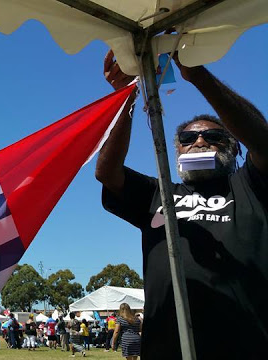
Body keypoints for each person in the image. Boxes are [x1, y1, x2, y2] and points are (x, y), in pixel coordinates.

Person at [97, 48, 268, 359]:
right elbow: (108, 173)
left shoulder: (250, 185)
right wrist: (127, 97)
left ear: (234, 147)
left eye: (214, 136)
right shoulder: (158, 193)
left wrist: (197, 75)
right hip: (165, 349)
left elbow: (264, 141)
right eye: (188, 139)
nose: (200, 142)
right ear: (175, 150)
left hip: (245, 347)